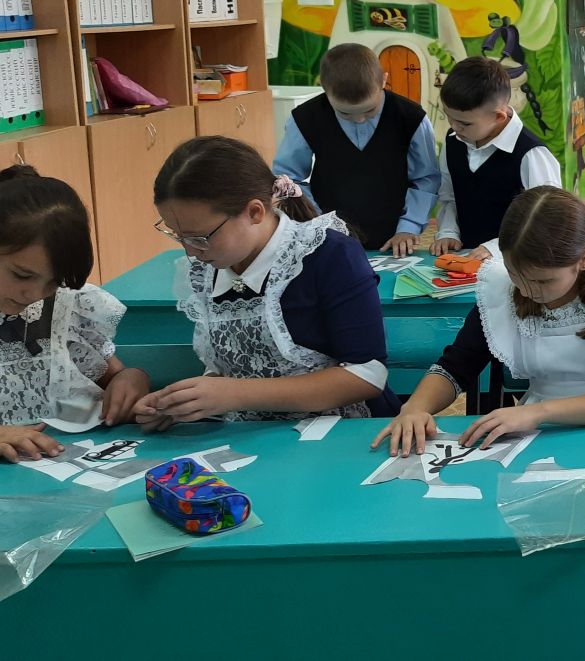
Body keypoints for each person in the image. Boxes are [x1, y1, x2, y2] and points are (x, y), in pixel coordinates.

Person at [375, 187, 585, 455]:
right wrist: (416, 407)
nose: (527, 291)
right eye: (516, 275)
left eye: (543, 281)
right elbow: (456, 366)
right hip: (537, 433)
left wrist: (538, 412)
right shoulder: (502, 290)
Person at [137, 137, 397, 427]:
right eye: (177, 235)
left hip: (338, 430)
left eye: (199, 237)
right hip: (250, 433)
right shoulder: (208, 267)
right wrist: (187, 402)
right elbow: (228, 367)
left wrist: (234, 394)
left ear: (255, 212)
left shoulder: (328, 254)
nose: (190, 251)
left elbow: (367, 375)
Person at [0, 166, 148, 460]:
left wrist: (132, 380)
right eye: (22, 275)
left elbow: (114, 376)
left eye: (54, 282)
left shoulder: (65, 307)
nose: (34, 294)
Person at [273, 43, 441, 256]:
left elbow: (426, 178)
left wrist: (409, 226)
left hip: (394, 237)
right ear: (324, 88)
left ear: (384, 80)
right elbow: (288, 178)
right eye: (345, 113)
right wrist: (318, 222)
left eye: (370, 110)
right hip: (328, 236)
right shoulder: (305, 119)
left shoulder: (412, 118)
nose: (359, 119)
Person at [432, 57, 562, 259]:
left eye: (464, 123)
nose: (455, 127)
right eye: (449, 117)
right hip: (466, 258)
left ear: (498, 116)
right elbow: (449, 198)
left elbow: (547, 220)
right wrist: (448, 232)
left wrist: (496, 247)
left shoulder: (531, 154)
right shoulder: (453, 142)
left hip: (518, 262)